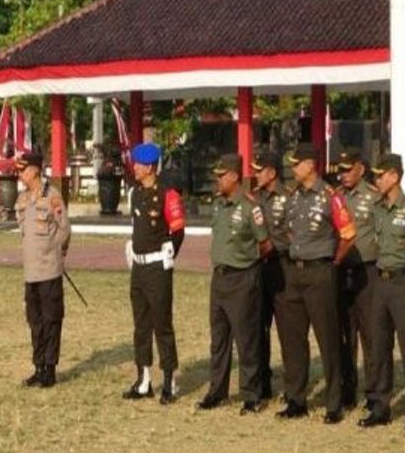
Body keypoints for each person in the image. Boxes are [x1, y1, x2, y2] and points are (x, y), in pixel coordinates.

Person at [278, 143, 355, 423]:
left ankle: (334, 402)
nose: (293, 168)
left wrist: (332, 262)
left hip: (320, 273)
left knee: (328, 339)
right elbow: (288, 229)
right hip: (294, 273)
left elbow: (348, 234)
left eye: (297, 163)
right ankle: (296, 399)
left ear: (311, 165)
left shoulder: (329, 196)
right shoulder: (293, 196)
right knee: (293, 340)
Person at [198, 154, 271, 414]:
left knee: (246, 339)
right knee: (219, 339)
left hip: (242, 278)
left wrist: (246, 263)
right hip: (219, 278)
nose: (217, 180)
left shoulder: (250, 207)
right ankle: (217, 391)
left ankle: (252, 394)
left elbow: (265, 243)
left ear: (234, 176)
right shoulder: (218, 205)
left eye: (221, 175)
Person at [363, 153, 405, 432]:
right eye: (376, 175)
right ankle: (381, 406)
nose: (377, 180)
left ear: (394, 176)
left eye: (381, 175)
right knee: (379, 346)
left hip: (401, 283)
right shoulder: (377, 207)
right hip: (379, 281)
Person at [121, 142, 186, 404]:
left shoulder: (168, 195)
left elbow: (178, 231)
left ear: (149, 167)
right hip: (138, 267)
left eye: (138, 164)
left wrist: (168, 257)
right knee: (141, 325)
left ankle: (169, 379)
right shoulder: (135, 193)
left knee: (162, 325)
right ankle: (144, 379)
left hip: (158, 268)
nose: (134, 168)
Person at [15, 150, 71, 388]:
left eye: (23, 169)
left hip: (49, 270)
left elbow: (64, 230)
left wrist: (54, 252)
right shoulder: (22, 200)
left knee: (51, 320)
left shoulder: (52, 197)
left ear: (35, 170)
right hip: (31, 272)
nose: (20, 174)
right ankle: (38, 366)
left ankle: (50, 368)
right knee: (35, 321)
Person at [334, 147, 381, 410]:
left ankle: (373, 391)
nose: (343, 175)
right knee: (344, 333)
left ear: (361, 169)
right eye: (340, 170)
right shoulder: (336, 197)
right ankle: (347, 390)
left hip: (367, 271)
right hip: (342, 272)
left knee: (370, 333)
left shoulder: (374, 197)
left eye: (348, 169)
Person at [250, 149, 290, 401]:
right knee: (258, 328)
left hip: (282, 267)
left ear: (272, 172)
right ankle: (262, 381)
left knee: (288, 331)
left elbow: (291, 234)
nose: (255, 175)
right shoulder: (254, 199)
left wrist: (270, 246)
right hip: (259, 269)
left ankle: (293, 385)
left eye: (259, 170)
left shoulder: (289, 199)